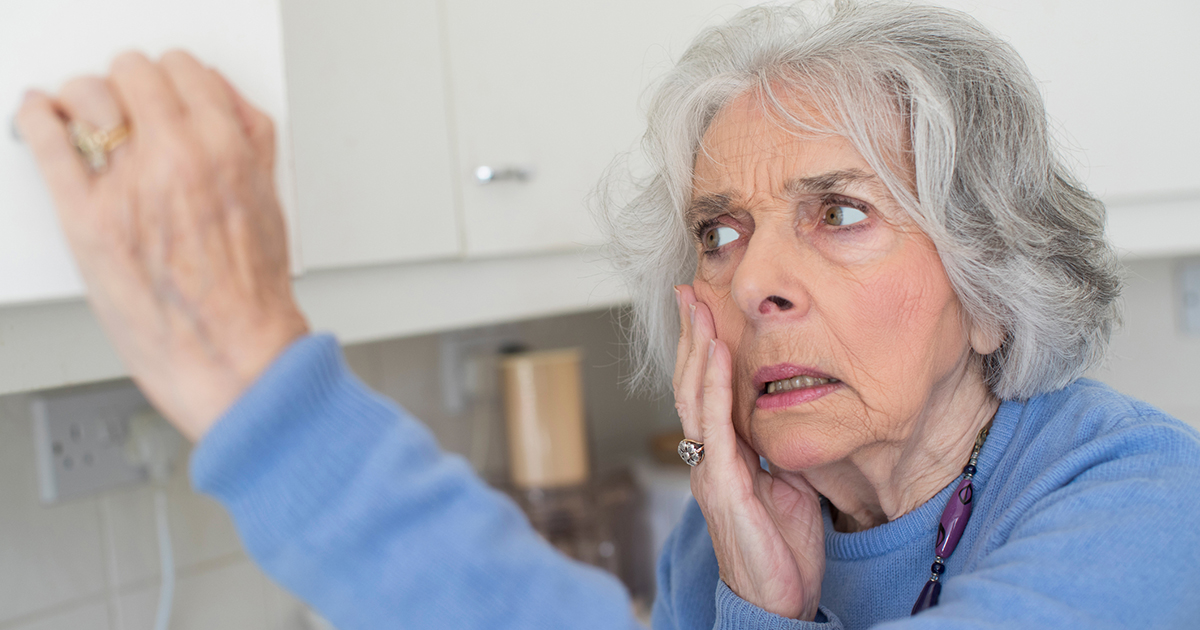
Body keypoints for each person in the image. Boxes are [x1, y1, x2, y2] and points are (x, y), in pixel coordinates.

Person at [14, 1, 1200, 628]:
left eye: (839, 212)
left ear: (991, 288)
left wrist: (261, 390)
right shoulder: (724, 537)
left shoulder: (1147, 504)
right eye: (720, 232)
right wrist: (754, 604)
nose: (756, 280)